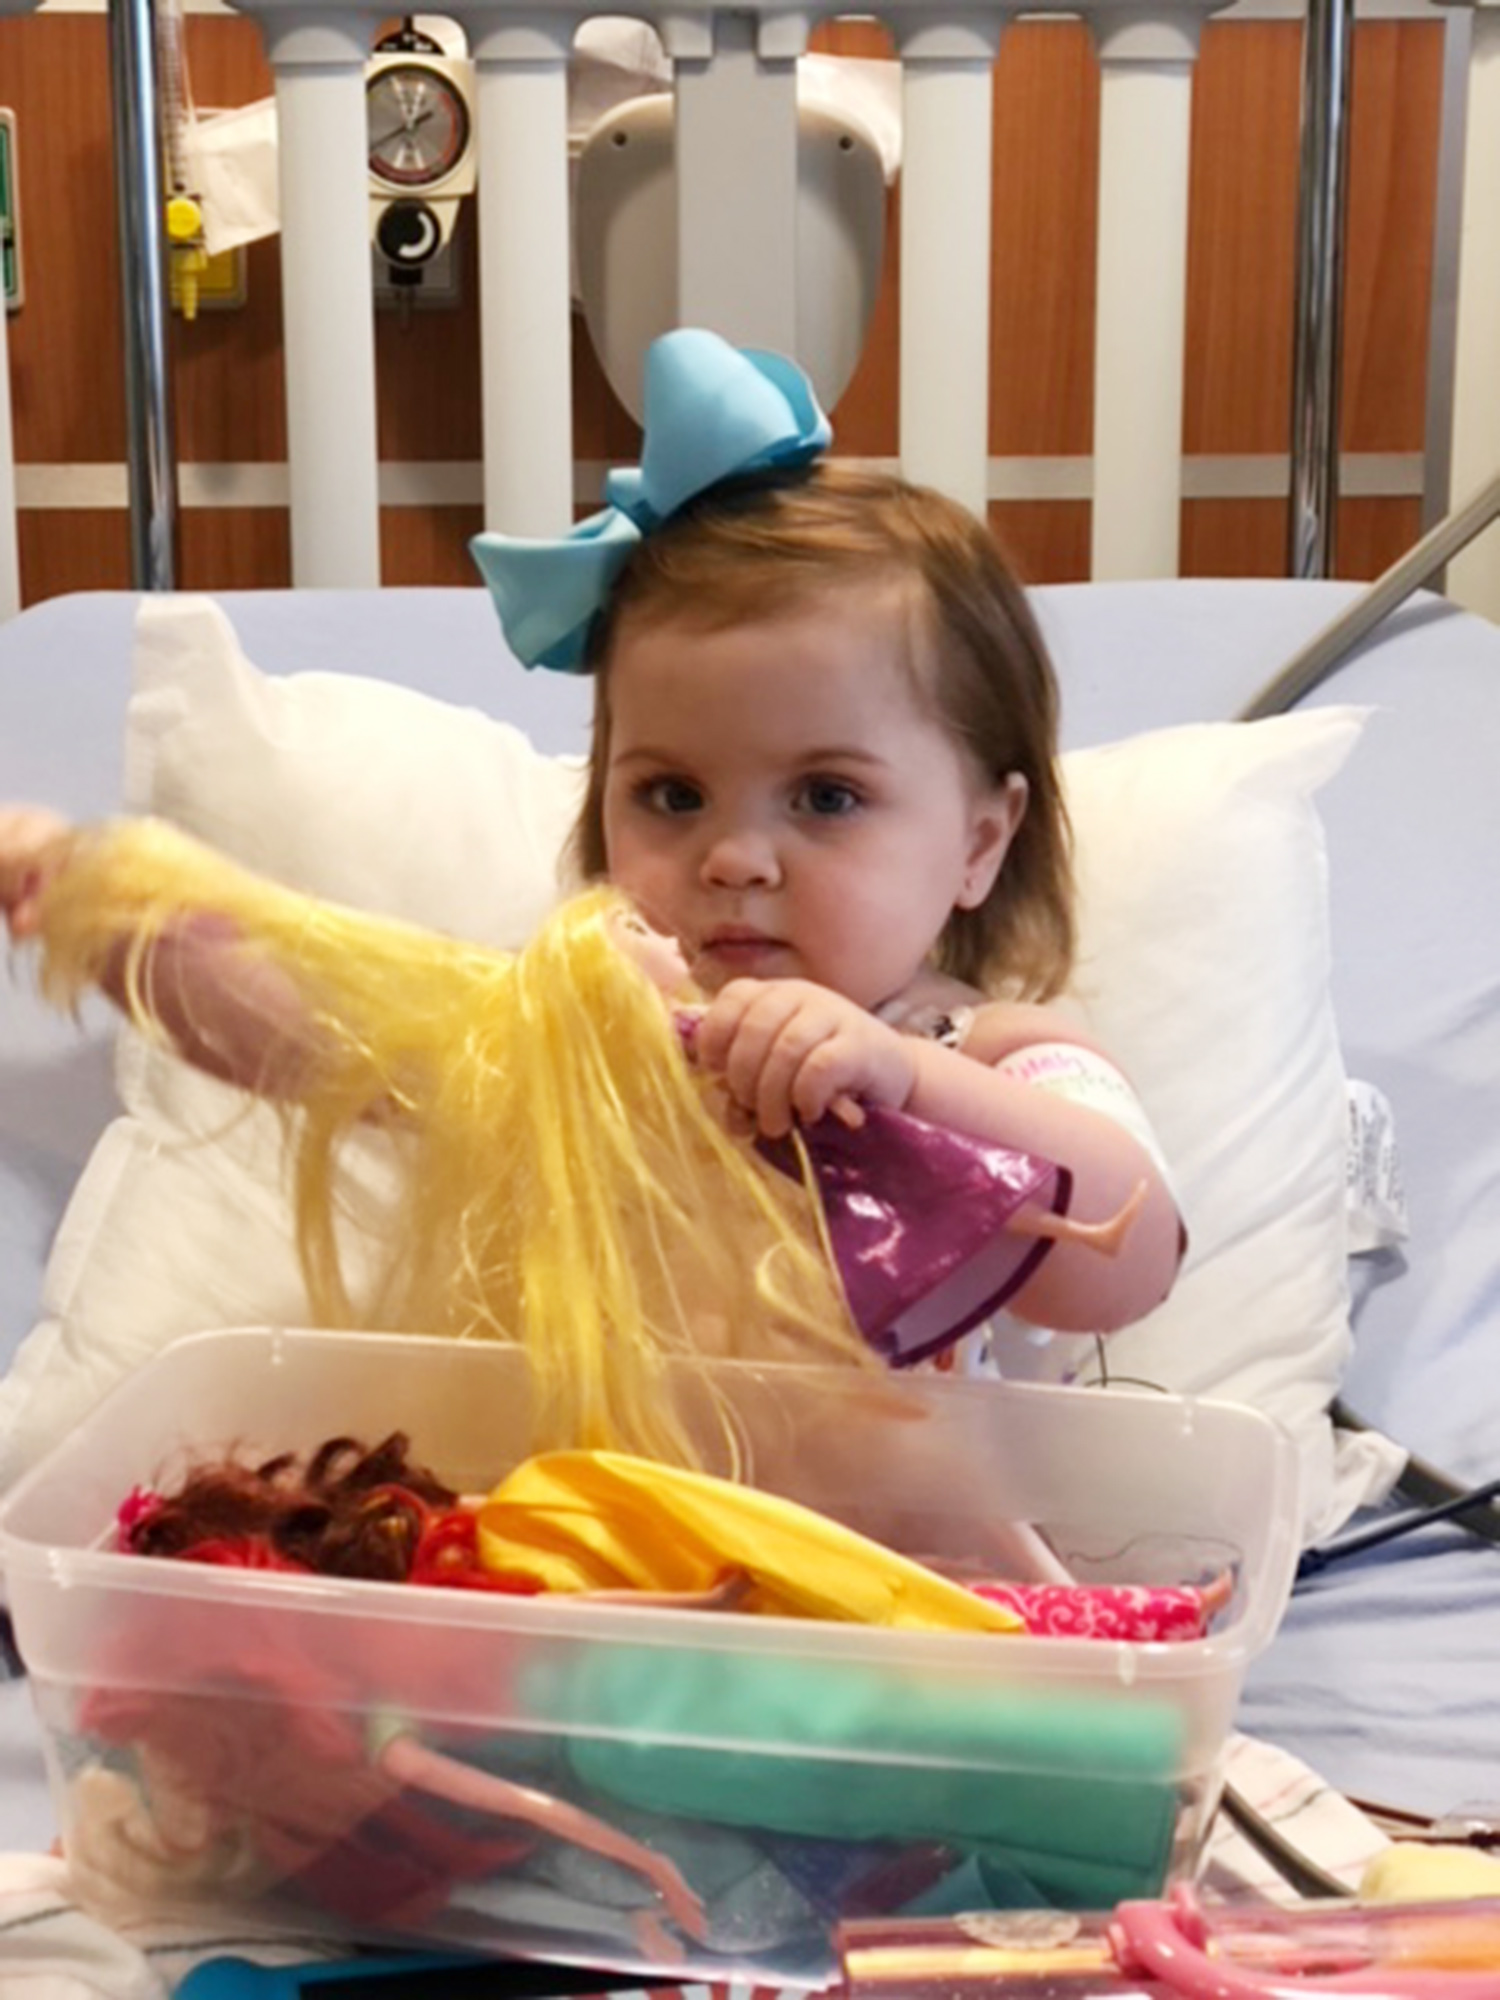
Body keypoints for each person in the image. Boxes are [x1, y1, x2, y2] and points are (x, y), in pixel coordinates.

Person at [0, 328, 1183, 1373]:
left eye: (826, 795)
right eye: (672, 792)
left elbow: (1131, 1256)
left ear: (980, 842)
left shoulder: (983, 1050)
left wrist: (901, 1079)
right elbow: (311, 1037)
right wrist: (105, 910)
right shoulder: (568, 1039)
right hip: (586, 1546)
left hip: (879, 1582)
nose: (735, 858)